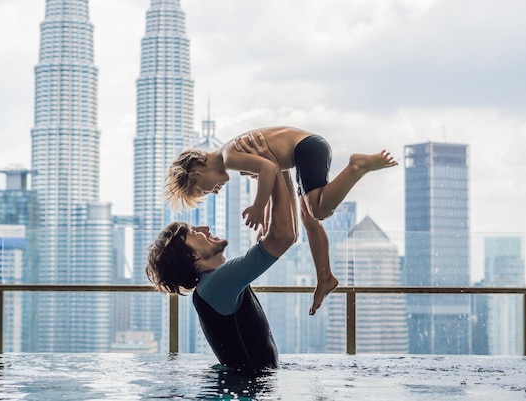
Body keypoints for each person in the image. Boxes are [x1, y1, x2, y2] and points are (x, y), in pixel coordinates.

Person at [164, 126, 398, 314]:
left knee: (318, 210)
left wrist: (257, 207)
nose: (213, 192)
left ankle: (356, 167)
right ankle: (325, 277)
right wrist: (265, 218)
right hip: (304, 150)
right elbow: (269, 171)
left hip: (305, 149)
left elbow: (268, 168)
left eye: (202, 190)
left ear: (196, 172)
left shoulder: (230, 156)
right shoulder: (231, 155)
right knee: (308, 217)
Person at [147, 135, 298, 372]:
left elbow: (289, 233)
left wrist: (283, 168)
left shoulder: (213, 286)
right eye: (194, 232)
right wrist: (275, 164)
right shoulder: (216, 285)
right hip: (250, 390)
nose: (204, 228)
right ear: (191, 256)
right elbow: (284, 237)